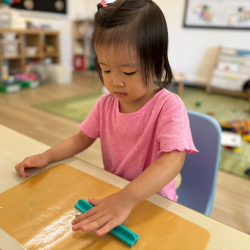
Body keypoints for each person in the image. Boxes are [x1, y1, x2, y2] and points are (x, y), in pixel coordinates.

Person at [15, 0, 198, 237]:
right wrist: (47, 155)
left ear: (157, 63)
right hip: (114, 192)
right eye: (106, 69)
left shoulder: (168, 106)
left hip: (150, 200)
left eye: (128, 72)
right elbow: (82, 138)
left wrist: (127, 198)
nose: (115, 82)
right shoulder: (106, 104)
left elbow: (173, 159)